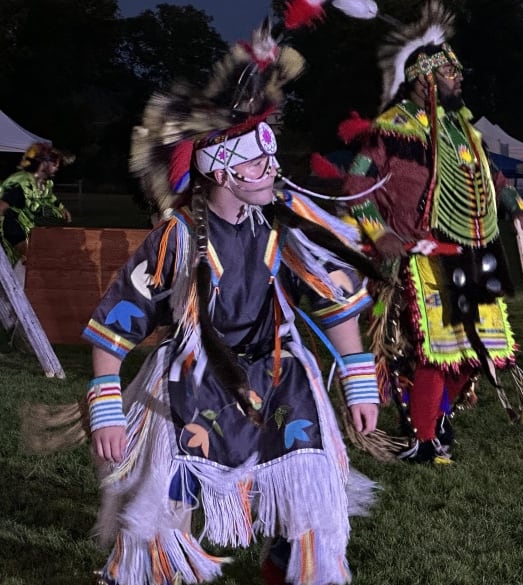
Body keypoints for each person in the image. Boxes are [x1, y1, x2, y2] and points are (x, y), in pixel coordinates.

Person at [83, 22, 380, 585]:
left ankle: (303, 571)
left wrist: (357, 377)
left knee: (313, 486)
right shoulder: (177, 237)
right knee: (159, 496)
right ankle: (152, 572)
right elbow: (119, 317)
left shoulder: (283, 223)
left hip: (280, 372)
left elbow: (333, 298)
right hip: (193, 377)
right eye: (257, 159)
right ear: (219, 167)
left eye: (271, 156)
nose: (272, 168)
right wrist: (106, 404)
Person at [342, 0, 523, 464]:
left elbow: (497, 181)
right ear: (424, 80)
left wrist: (519, 212)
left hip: (474, 250)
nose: (459, 80)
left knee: (480, 351)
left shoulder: (465, 132)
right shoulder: (391, 129)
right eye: (450, 74)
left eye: (458, 73)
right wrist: (379, 233)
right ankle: (424, 438)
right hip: (420, 254)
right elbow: (354, 188)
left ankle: (441, 414)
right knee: (434, 352)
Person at [0, 142, 73, 267]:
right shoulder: (22, 184)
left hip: (24, 227)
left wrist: (61, 208)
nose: (57, 167)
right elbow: (1, 207)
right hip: (10, 227)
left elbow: (47, 200)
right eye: (54, 163)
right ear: (44, 163)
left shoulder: (43, 184)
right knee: (32, 258)